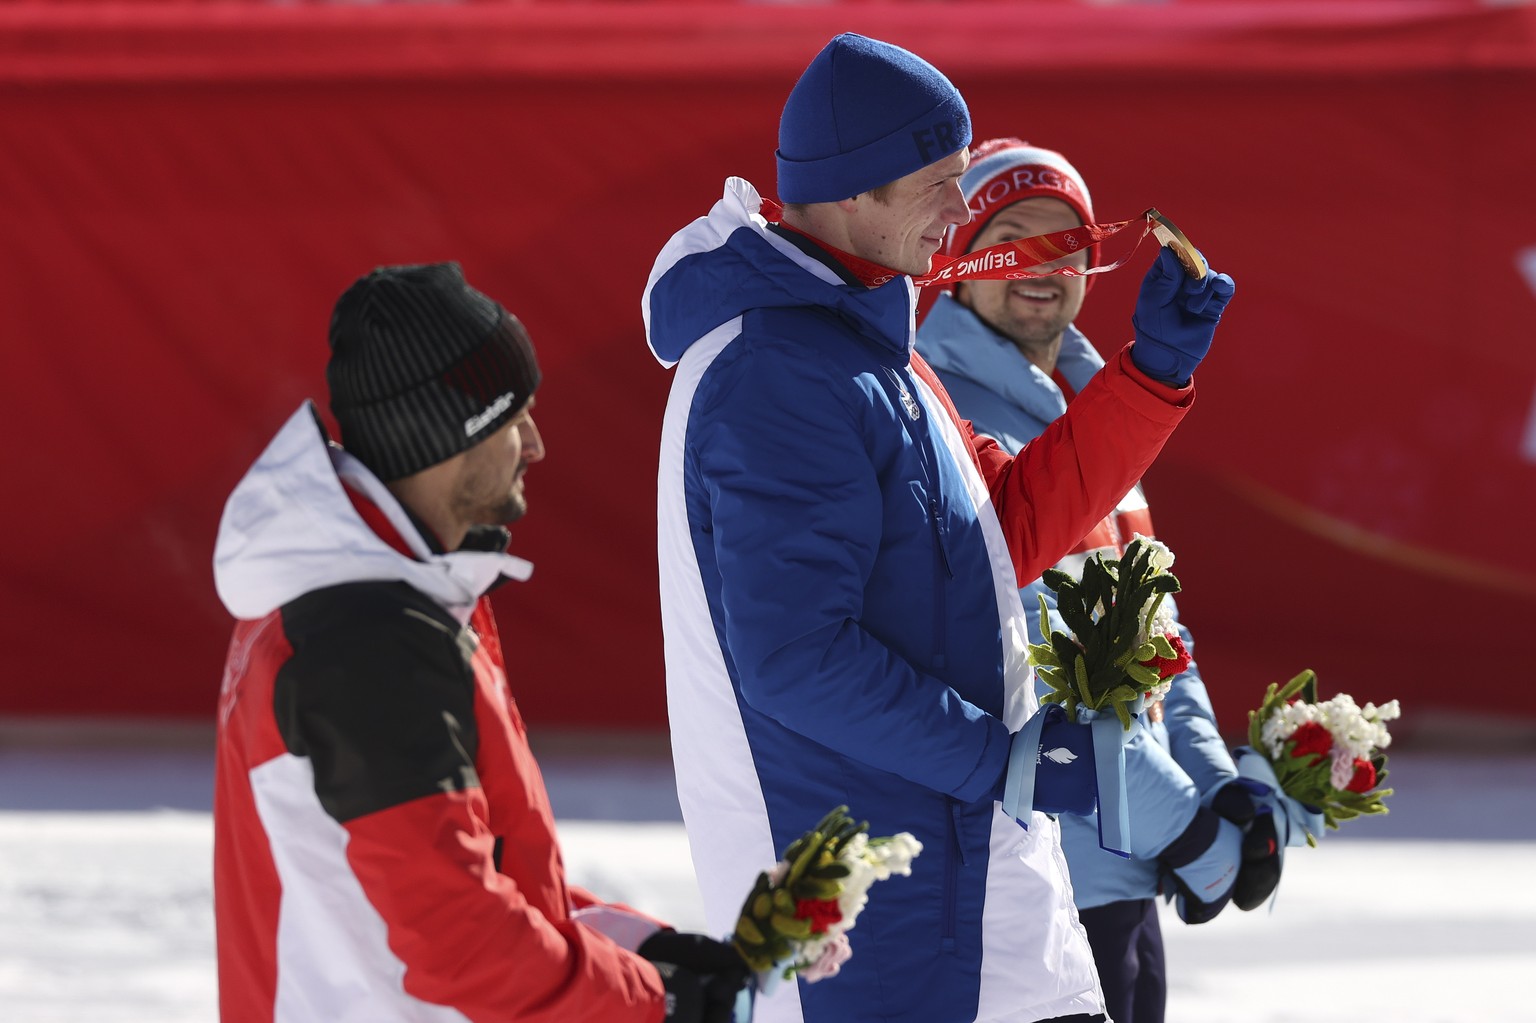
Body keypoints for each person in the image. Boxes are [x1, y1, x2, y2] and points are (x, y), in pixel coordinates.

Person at [642, 33, 1235, 1023]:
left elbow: (999, 534)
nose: (964, 213)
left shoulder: (873, 350)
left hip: (967, 879)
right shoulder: (776, 373)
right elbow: (797, 656)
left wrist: (1150, 377)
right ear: (853, 191)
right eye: (942, 183)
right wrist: (1003, 757)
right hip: (877, 916)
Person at [212, 262, 748, 1023]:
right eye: (512, 417)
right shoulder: (369, 642)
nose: (535, 444)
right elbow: (462, 941)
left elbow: (486, 866)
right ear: (444, 434)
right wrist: (656, 1002)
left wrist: (642, 950)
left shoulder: (367, 598)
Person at [915, 138, 1276, 1023]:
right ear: (960, 258)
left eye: (1067, 244)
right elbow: (1030, 661)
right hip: (1032, 878)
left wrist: (1219, 782)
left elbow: (1155, 635)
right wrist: (1191, 830)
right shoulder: (940, 411)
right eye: (1014, 238)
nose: (1045, 266)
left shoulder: (1099, 405)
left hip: (1122, 871)